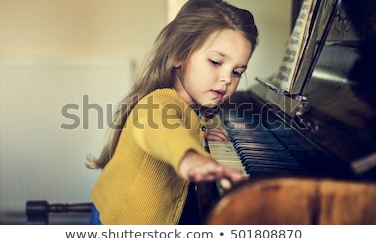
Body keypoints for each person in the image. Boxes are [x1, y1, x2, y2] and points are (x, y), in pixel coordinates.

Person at [87, 0, 259, 225]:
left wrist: (200, 132)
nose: (227, 79)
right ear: (179, 54)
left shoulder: (191, 106)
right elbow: (162, 131)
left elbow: (184, 123)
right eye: (216, 62)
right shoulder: (158, 102)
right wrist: (189, 156)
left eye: (237, 72)